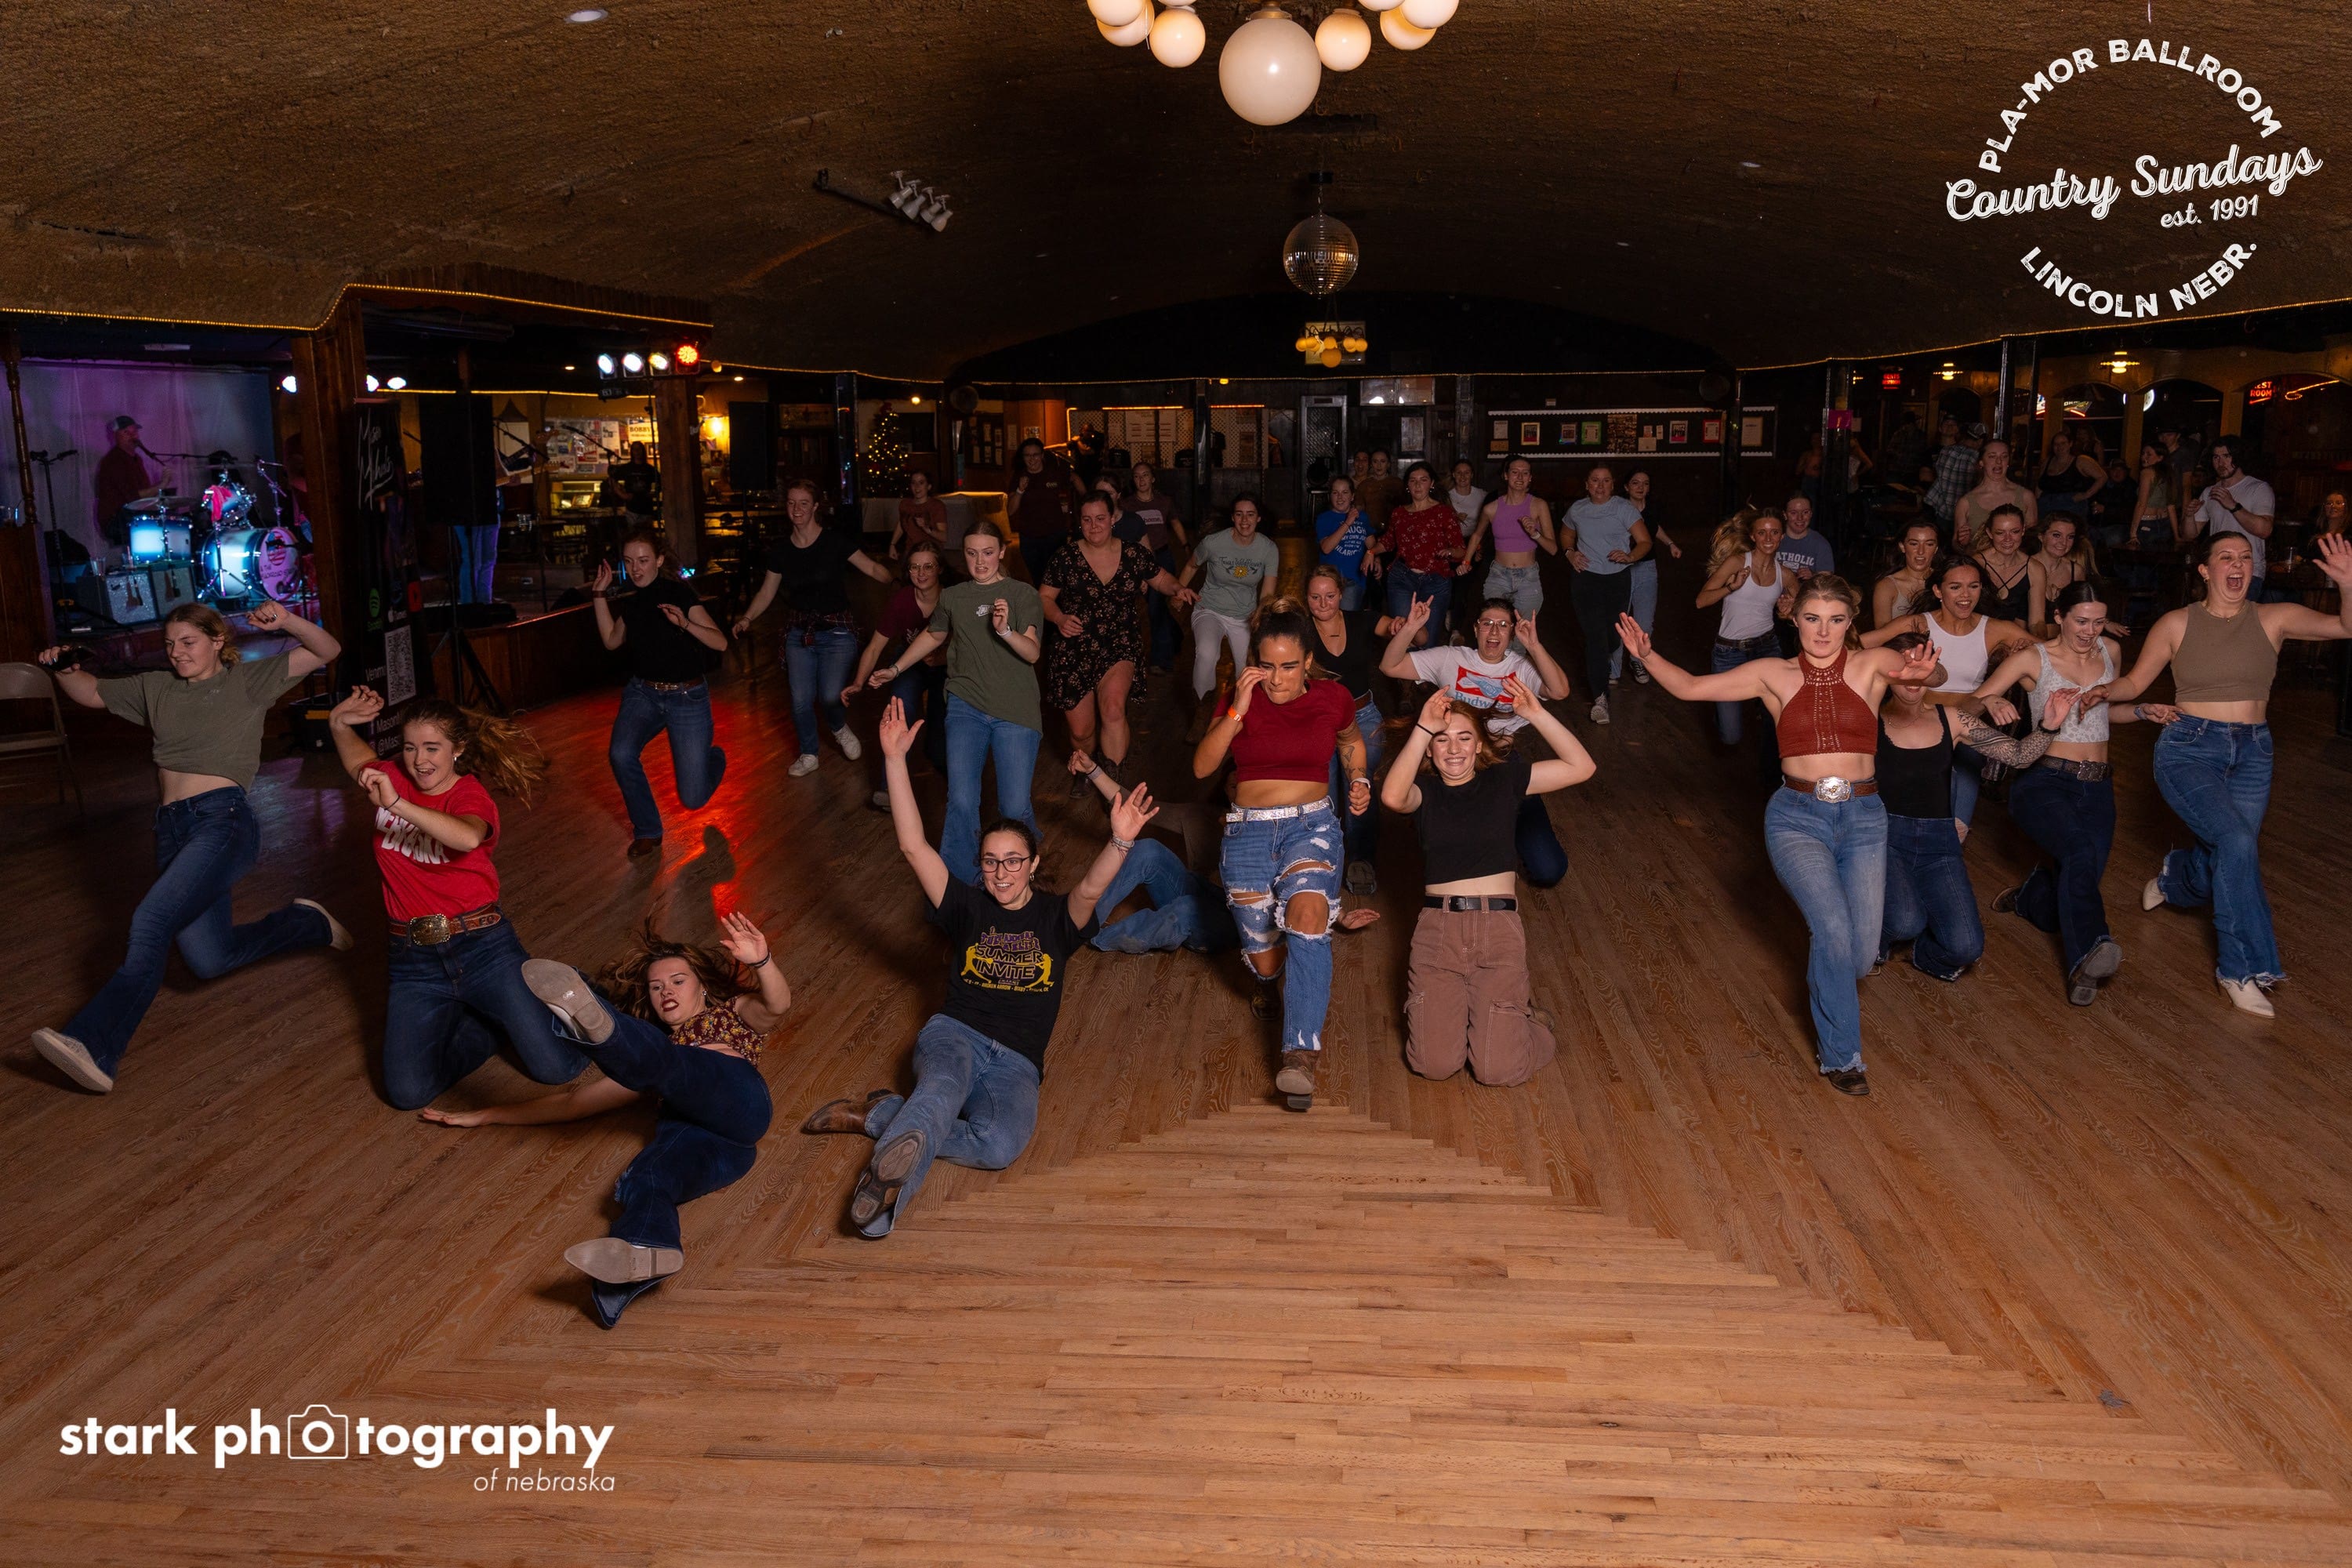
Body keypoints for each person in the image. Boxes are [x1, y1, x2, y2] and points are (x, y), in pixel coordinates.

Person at [799, 699, 1143, 1237]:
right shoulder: (965, 906)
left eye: (1013, 861)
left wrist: (1120, 841)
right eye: (990, 861)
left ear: (1033, 864)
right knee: (940, 1091)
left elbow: (1092, 888)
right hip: (956, 1035)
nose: (1001, 873)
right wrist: (894, 759)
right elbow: (913, 847)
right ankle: (879, 1204)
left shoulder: (1057, 918)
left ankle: (881, 1116)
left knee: (999, 1146)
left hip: (1018, 1064)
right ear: (980, 867)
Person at [1617, 584, 1940, 1095]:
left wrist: (1925, 674)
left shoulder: (1871, 664)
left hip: (1864, 818)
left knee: (1857, 956)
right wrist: (1647, 655)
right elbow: (1691, 687)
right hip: (1797, 818)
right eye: (1812, 618)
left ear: (1850, 621)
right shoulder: (1774, 674)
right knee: (1831, 929)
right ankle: (1843, 1058)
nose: (1823, 631)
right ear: (1794, 619)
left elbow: (1926, 674)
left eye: (1835, 619)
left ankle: (1830, 982)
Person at [31, 602, 351, 1094]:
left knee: (152, 920)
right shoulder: (156, 687)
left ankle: (94, 1042)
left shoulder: (247, 682)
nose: (176, 652)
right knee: (209, 959)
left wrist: (287, 621)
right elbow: (92, 693)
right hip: (171, 829)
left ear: (218, 640)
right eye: (169, 644)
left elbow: (327, 649)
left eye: (188, 642)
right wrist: (66, 670)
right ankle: (306, 924)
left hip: (223, 822)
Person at [456, 913, 790, 1327]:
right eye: (656, 987)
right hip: (716, 1149)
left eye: (678, 981)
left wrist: (762, 962)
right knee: (645, 1179)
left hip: (740, 1103)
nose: (666, 991)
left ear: (702, 985)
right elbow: (573, 1103)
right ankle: (643, 1251)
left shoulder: (732, 1014)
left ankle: (601, 1029)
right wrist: (490, 1113)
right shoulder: (648, 1062)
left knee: (670, 1064)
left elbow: (777, 1005)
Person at [2082, 532, 2352, 1016]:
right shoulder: (2177, 623)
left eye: (2246, 558)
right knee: (2237, 842)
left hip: (2253, 752)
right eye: (2226, 557)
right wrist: (2104, 691)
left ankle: (2176, 878)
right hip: (2189, 748)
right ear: (2205, 570)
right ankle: (2240, 969)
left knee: (2228, 855)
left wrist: (2348, 585)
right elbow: (2135, 683)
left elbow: (2345, 627)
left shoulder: (2274, 617)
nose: (2238, 565)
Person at [325, 686, 590, 1108]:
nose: (419, 759)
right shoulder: (394, 777)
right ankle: (489, 1027)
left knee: (556, 1069)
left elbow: (466, 837)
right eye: (409, 747)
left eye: (432, 748)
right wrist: (338, 723)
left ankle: (577, 992)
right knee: (408, 1093)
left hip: (484, 949)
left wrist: (397, 804)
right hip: (414, 961)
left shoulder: (468, 794)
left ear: (458, 750)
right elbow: (360, 763)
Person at [1192, 601, 1373, 1112]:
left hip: (1311, 826)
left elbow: (1351, 741)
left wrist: (1359, 778)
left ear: (1308, 661)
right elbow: (1203, 766)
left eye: (1289, 666)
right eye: (1267, 665)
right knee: (1267, 963)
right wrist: (1236, 711)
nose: (1276, 679)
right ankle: (1279, 980)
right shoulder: (1241, 699)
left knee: (1308, 916)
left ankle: (1299, 1056)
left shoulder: (1334, 698)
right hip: (1247, 832)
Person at [1965, 583, 2176, 1006]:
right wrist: (1989, 703)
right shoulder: (2033, 658)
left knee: (2078, 880)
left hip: (2097, 785)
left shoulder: (2110, 652)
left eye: (2099, 622)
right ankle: (2090, 955)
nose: (2090, 631)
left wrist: (2141, 710)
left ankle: (2032, 898)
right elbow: (1969, 706)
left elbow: (2101, 715)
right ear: (2059, 617)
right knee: (2078, 854)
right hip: (2044, 780)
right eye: (2081, 621)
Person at [1382, 677, 1595, 1086]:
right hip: (1438, 934)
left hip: (1497, 932)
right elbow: (1392, 797)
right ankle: (1481, 1021)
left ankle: (1528, 1025)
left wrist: (1537, 714)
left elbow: (1582, 767)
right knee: (1434, 1065)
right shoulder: (1423, 791)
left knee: (1497, 1071)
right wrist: (1424, 727)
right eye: (1442, 740)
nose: (1454, 748)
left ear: (1480, 744)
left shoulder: (1503, 780)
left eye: (1465, 738)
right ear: (1429, 748)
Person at [1874, 633, 2067, 987]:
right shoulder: (1868, 720)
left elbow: (2019, 756)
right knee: (1904, 922)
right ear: (1886, 673)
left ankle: (1921, 953)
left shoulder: (1952, 719)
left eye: (1922, 666)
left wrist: (2049, 726)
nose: (1914, 676)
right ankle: (1874, 943)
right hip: (1885, 838)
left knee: (1965, 947)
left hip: (1939, 844)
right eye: (1904, 666)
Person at [1065, 744, 1381, 953]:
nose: (1239, 791)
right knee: (1147, 849)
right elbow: (1132, 803)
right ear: (1225, 790)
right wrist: (1093, 770)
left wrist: (1339, 916)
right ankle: (1078, 924)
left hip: (1238, 919)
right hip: (1202, 891)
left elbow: (1305, 878)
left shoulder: (1279, 826)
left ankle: (1098, 939)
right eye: (1232, 786)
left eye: (1246, 785)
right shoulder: (1201, 817)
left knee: (1186, 909)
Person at [868, 526, 1044, 882]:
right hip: (966, 706)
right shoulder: (953, 596)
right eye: (971, 553)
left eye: (988, 552)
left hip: (1015, 709)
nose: (980, 561)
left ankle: (1021, 872)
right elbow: (934, 634)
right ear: (962, 554)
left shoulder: (1022, 594)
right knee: (962, 799)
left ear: (1002, 552)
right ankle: (958, 885)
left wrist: (1005, 631)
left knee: (1013, 805)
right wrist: (896, 668)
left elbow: (1032, 652)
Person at [1380, 594, 1576, 887]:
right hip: (1454, 763)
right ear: (1476, 628)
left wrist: (1535, 646)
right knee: (1452, 857)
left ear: (1512, 633)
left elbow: (1560, 691)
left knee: (1549, 869)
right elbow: (1390, 666)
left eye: (1503, 625)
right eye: (1487, 623)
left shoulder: (1521, 668)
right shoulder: (1450, 658)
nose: (1494, 631)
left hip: (1501, 764)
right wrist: (1410, 628)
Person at [734, 481, 895, 778]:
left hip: (837, 631)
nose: (797, 509)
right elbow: (767, 592)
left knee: (831, 696)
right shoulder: (781, 551)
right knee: (800, 700)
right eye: (791, 503)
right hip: (799, 633)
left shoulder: (834, 541)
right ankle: (809, 754)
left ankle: (838, 726)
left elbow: (872, 568)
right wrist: (747, 618)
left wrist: (902, 583)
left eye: (804, 503)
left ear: (816, 507)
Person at [1864, 555, 2032, 836]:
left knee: (1958, 822)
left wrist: (2025, 655)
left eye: (1974, 586)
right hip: (1916, 724)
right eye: (1955, 587)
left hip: (1965, 725)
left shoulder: (1996, 629)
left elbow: (2054, 654)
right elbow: (1857, 646)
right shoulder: (1917, 624)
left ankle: (1954, 836)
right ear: (1938, 591)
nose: (1966, 595)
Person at [1040, 494, 1195, 788]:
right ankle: (1086, 767)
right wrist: (1059, 618)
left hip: (1119, 641)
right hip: (1074, 647)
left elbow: (1160, 578)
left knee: (1113, 709)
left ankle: (1112, 783)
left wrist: (1177, 589)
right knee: (1081, 732)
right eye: (1087, 520)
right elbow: (1045, 598)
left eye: (1100, 518)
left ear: (1113, 519)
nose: (1094, 526)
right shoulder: (1065, 557)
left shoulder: (1133, 553)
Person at [593, 529, 729, 856]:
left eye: (643, 561)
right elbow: (611, 641)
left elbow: (720, 642)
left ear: (659, 560)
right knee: (621, 753)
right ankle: (648, 831)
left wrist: (684, 623)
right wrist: (599, 594)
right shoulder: (632, 600)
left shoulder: (678, 594)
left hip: (687, 697)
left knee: (693, 798)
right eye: (629, 562)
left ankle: (713, 759)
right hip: (644, 694)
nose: (636, 569)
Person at [1305, 564, 1397, 895]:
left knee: (1359, 787)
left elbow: (1403, 632)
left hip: (1363, 715)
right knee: (1325, 793)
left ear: (1342, 594)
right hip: (1319, 721)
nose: (1323, 603)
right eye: (1315, 597)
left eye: (1330, 596)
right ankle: (1327, 858)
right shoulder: (1300, 631)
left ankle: (1361, 859)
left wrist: (1407, 625)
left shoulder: (1362, 620)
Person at [846, 543, 950, 805]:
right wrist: (858, 682)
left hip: (947, 668)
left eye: (928, 566)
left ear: (940, 569)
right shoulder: (902, 600)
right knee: (897, 715)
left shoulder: (953, 598)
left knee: (938, 737)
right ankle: (887, 789)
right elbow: (875, 647)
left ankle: (955, 785)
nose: (921, 573)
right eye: (915, 567)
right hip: (909, 664)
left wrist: (943, 657)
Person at [1695, 510, 1797, 748]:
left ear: (1782, 536)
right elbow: (1701, 601)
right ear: (1752, 536)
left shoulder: (1785, 575)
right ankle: (1722, 713)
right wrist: (1732, 587)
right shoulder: (1737, 562)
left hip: (1767, 649)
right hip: (1729, 652)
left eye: (1774, 532)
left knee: (1779, 722)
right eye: (1762, 533)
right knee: (1730, 736)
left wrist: (1790, 610)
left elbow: (1803, 611)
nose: (1768, 538)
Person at [1178, 494, 1280, 726]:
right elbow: (1191, 565)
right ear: (1233, 517)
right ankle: (1202, 713)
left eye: (1250, 515)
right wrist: (1178, 593)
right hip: (1210, 609)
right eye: (1239, 514)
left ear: (1259, 518)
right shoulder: (1213, 543)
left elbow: (1267, 593)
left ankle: (1243, 717)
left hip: (1245, 615)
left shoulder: (1268, 549)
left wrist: (1260, 619)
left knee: (1247, 668)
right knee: (1206, 653)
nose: (1245, 520)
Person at [1560, 463, 1650, 723]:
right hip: (1586, 579)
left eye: (1606, 481)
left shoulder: (1624, 509)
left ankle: (1607, 652)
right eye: (1595, 480)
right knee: (1596, 639)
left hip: (1617, 580)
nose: (1600, 486)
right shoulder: (1577, 509)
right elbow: (1566, 535)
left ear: (1613, 485)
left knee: (1612, 639)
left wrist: (1630, 556)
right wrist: (1570, 553)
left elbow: (1645, 541)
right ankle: (1600, 698)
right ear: (1587, 485)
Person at [1381, 462, 1475, 639]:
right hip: (1402, 579)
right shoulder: (1399, 513)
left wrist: (1449, 551)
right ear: (1407, 486)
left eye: (1423, 480)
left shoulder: (1444, 512)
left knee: (1428, 640)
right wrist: (1370, 553)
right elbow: (1387, 541)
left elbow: (1461, 550)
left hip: (1435, 581)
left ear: (1431, 484)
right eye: (1413, 481)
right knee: (1402, 636)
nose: (1418, 485)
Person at [1469, 456, 1559, 622]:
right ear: (1506, 475)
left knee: (1522, 630)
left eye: (1525, 473)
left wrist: (1535, 534)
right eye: (1515, 472)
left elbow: (1553, 549)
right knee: (1496, 626)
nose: (1520, 477)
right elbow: (1477, 535)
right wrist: (1466, 561)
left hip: (1528, 577)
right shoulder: (1491, 508)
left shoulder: (1539, 505)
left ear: (1530, 478)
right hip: (1499, 575)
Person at [1612, 468, 1678, 683]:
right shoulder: (1618, 508)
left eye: (1645, 483)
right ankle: (1613, 668)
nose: (1641, 487)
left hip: (1647, 568)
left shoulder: (1652, 507)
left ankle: (1638, 661)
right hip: (1621, 569)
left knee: (1645, 622)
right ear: (1626, 487)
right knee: (1619, 619)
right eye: (1636, 483)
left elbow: (1654, 527)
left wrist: (1670, 543)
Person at [1123, 459, 1190, 672]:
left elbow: (1175, 522)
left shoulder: (1164, 501)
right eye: (1137, 476)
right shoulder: (1127, 505)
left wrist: (1186, 545)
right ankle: (1176, 635)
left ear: (1153, 478)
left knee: (1155, 608)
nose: (1141, 480)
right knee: (1157, 608)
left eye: (1145, 475)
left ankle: (1161, 660)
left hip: (1162, 558)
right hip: (1139, 561)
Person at [2189, 437, 2276, 598]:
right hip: (2217, 569)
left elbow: (2264, 530)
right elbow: (2190, 534)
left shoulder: (2258, 488)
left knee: (2240, 615)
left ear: (2238, 457)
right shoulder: (2209, 491)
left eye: (2226, 456)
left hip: (2247, 570)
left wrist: (2233, 506)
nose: (2221, 463)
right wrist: (2188, 515)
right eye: (2216, 457)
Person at [1008, 437, 1083, 585]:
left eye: (1035, 455)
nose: (1032, 459)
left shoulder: (1055, 472)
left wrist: (1088, 500)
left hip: (1055, 535)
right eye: (1027, 455)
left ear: (1042, 455)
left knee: (1056, 579)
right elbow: (1010, 511)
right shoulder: (1019, 476)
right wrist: (1020, 491)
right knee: (1038, 579)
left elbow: (1074, 479)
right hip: (1030, 538)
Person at [1953, 438, 2038, 552]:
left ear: (2008, 462)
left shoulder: (2026, 497)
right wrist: (1962, 542)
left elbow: (2033, 542)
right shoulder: (1966, 502)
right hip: (1977, 561)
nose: (1999, 461)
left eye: (2004, 456)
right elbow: (1956, 544)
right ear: (1981, 462)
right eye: (1992, 456)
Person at [2025, 513, 2094, 637]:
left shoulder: (2076, 571)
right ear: (2041, 536)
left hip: (2060, 641)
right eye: (2056, 535)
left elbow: (2084, 609)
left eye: (2070, 537)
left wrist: (2106, 622)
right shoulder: (2024, 566)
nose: (2063, 542)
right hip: (2024, 640)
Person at [1315, 475, 1377, 612]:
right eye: (1335, 493)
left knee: (1348, 620)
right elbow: (1326, 548)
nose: (1340, 497)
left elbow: (1371, 543)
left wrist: (1375, 558)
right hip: (1330, 580)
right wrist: (1348, 522)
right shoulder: (1324, 518)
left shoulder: (1362, 517)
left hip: (1354, 580)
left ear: (1352, 496)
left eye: (1345, 492)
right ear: (1330, 496)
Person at [93, 415, 161, 539]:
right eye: (126, 432)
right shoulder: (114, 460)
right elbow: (134, 496)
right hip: (116, 520)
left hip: (131, 515)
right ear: (115, 436)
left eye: (135, 431)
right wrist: (161, 486)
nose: (133, 436)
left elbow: (143, 496)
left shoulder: (137, 459)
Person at [1973, 503, 2035, 626]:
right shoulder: (1976, 564)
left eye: (2015, 532)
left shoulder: (2035, 569)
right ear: (1990, 533)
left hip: (2015, 634)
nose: (2008, 539)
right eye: (2000, 533)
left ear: (2023, 530)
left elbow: (2037, 621)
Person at [1872, 520, 1942, 628]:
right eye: (1914, 544)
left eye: (1929, 544)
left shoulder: (1945, 580)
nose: (1921, 551)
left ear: (1936, 549)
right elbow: (1881, 634)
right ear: (1902, 547)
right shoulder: (1886, 586)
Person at [1918, 415, 1979, 536]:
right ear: (1940, 428)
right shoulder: (1931, 451)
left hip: (1959, 507)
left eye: (1953, 424)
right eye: (1947, 424)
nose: (1950, 427)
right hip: (1937, 507)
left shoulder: (1970, 454)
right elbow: (1924, 476)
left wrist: (1944, 477)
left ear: (1958, 430)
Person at [2035, 428, 2104, 519]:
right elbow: (2039, 485)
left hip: (2070, 505)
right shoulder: (2047, 462)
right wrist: (2037, 501)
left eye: (2063, 443)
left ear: (2070, 444)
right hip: (2047, 505)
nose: (2059, 447)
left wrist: (2086, 494)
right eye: (2056, 444)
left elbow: (2102, 477)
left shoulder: (2081, 461)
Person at [890, 468, 949, 564]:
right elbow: (901, 524)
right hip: (911, 552)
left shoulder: (936, 506)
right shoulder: (905, 504)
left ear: (929, 486)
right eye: (913, 483)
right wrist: (893, 544)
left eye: (921, 483)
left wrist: (927, 529)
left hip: (931, 553)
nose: (917, 487)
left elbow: (943, 537)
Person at [2131, 440, 2182, 550]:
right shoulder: (2168, 475)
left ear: (2160, 458)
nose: (2144, 457)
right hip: (2164, 523)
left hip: (2147, 523)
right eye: (2143, 453)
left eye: (2149, 454)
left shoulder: (2147, 473)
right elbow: (2171, 507)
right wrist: (2177, 536)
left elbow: (2141, 504)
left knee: (2141, 559)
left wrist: (2133, 533)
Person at [1355, 448, 1403, 535]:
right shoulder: (1364, 486)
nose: (1379, 465)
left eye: (1383, 461)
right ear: (1371, 464)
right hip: (1369, 532)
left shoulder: (1397, 484)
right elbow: (1359, 510)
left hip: (1394, 531)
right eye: (1375, 461)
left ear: (1388, 464)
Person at [611, 441, 661, 522]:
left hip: (647, 508)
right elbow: (612, 479)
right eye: (635, 449)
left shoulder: (650, 469)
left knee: (646, 529)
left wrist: (655, 493)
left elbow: (660, 482)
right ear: (632, 452)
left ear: (643, 451)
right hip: (632, 509)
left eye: (639, 449)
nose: (637, 451)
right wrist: (622, 495)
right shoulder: (627, 468)